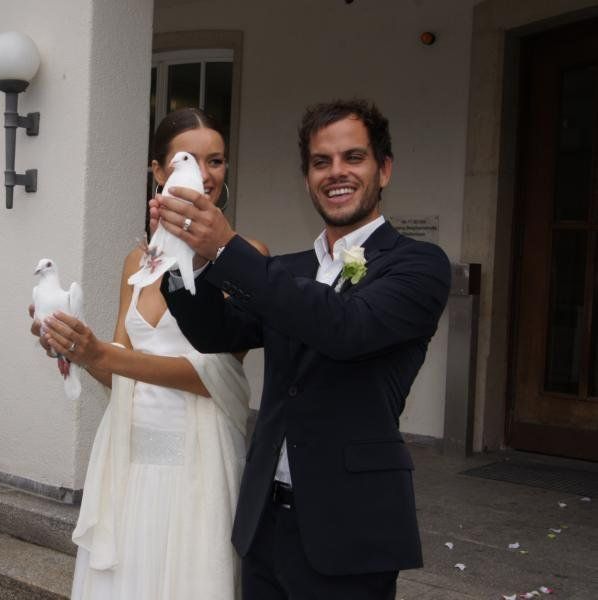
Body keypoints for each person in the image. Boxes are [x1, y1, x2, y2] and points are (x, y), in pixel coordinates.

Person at [151, 99, 451, 599]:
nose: (336, 173)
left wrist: (226, 247)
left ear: (384, 169)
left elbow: (346, 328)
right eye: (320, 162)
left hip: (350, 532)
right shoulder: (289, 270)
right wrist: (181, 256)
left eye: (353, 158)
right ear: (308, 178)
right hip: (264, 524)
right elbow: (216, 333)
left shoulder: (420, 265)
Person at [33, 108, 269, 600]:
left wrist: (101, 353)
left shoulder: (247, 255)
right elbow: (116, 372)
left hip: (201, 456)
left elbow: (213, 375)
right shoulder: (136, 264)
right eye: (189, 160)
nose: (205, 173)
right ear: (159, 172)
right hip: (129, 452)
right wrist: (75, 347)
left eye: (216, 160)